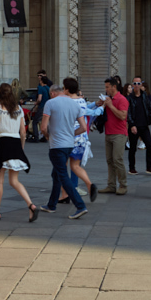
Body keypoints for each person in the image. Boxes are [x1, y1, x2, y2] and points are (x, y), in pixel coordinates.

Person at [0, 82, 38, 222]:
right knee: (14, 181)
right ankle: (30, 205)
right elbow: (23, 131)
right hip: (15, 144)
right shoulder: (19, 109)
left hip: (3, 144)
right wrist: (21, 147)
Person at [38, 80, 90, 216]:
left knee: (62, 175)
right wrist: (71, 134)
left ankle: (80, 205)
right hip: (69, 145)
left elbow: (43, 127)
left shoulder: (50, 103)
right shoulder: (75, 104)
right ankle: (51, 204)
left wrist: (47, 135)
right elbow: (84, 127)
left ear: (52, 93)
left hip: (56, 145)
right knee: (56, 173)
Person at [98, 76, 130, 194]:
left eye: (107, 87)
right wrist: (100, 104)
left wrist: (110, 106)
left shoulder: (122, 99)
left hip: (119, 134)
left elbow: (122, 116)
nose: (106, 89)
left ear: (114, 87)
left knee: (118, 159)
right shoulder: (108, 99)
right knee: (110, 160)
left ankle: (123, 185)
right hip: (109, 132)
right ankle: (111, 185)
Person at [127, 76, 151, 176]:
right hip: (134, 126)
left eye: (138, 83)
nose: (136, 85)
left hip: (144, 125)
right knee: (133, 148)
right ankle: (132, 168)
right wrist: (132, 124)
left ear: (141, 85)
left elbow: (150, 107)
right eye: (134, 83)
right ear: (132, 85)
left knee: (149, 145)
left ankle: (149, 166)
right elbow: (128, 112)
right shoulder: (130, 98)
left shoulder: (144, 96)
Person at [29, 72, 51, 141]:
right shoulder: (48, 88)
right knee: (44, 122)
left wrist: (37, 103)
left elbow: (39, 98)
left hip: (42, 106)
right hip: (47, 106)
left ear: (41, 81)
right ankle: (45, 137)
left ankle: (36, 137)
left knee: (35, 122)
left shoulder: (40, 88)